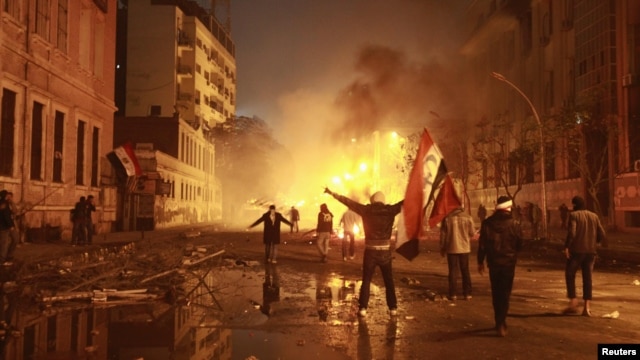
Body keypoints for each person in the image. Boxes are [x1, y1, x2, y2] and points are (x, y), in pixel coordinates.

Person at [324, 187, 403, 317]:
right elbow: (406, 202)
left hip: (370, 252)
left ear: (372, 201)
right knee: (389, 281)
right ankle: (393, 308)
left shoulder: (366, 210)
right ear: (383, 200)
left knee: (366, 280)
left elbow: (348, 202)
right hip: (385, 252)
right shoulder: (391, 210)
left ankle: (363, 309)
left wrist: (333, 193)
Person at [477, 195, 523, 337]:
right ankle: (502, 321)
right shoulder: (515, 223)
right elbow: (520, 244)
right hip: (509, 263)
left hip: (493, 263)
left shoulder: (487, 223)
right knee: (505, 292)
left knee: (496, 292)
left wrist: (480, 261)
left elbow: (482, 244)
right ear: (509, 208)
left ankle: (498, 321)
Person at [563, 195, 607, 317]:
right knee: (587, 278)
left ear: (575, 205)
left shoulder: (574, 215)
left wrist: (567, 246)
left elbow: (572, 232)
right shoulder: (594, 216)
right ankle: (586, 308)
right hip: (591, 252)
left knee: (570, 274)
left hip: (577, 251)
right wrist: (595, 242)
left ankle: (573, 301)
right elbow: (601, 233)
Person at [440, 207, 475, 301]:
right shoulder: (468, 217)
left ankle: (453, 294)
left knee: (453, 271)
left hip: (451, 248)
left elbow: (443, 235)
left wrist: (442, 248)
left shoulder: (447, 218)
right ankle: (467, 294)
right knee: (465, 271)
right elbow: (472, 233)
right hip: (464, 248)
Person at [0, 190, 16, 265]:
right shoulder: (4, 204)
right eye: (7, 195)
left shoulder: (4, 203)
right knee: (4, 243)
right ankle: (2, 260)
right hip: (5, 227)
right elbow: (6, 216)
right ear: (6, 196)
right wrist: (11, 226)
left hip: (5, 226)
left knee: (14, 240)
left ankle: (7, 256)